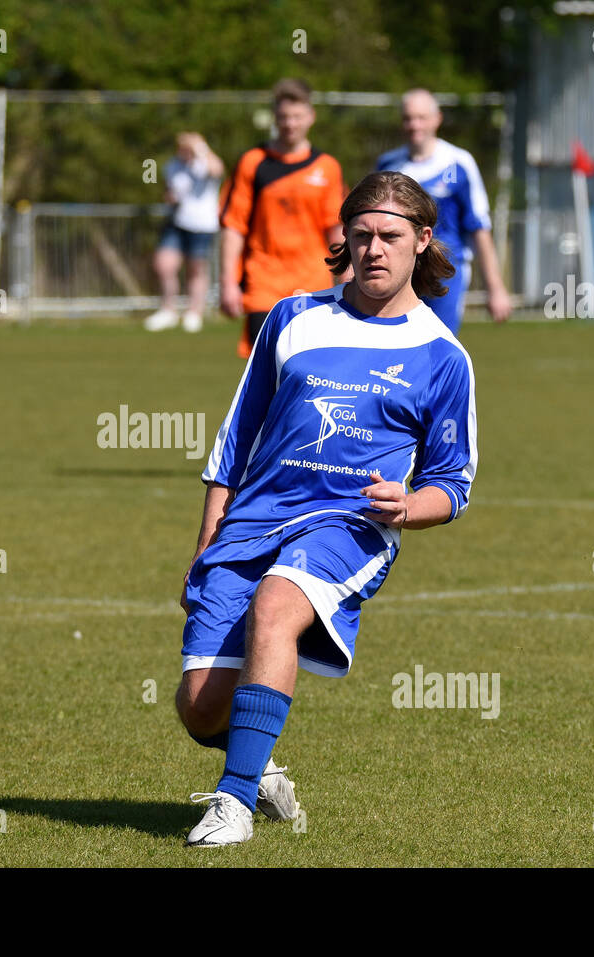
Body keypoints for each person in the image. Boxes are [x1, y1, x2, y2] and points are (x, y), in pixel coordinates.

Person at [176, 170, 477, 846]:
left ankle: (233, 803)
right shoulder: (293, 317)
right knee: (199, 707)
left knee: (277, 605)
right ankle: (257, 764)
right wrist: (207, 540)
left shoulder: (441, 356)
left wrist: (408, 505)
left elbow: (452, 482)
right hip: (254, 515)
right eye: (362, 233)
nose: (373, 248)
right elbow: (235, 438)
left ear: (422, 241)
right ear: (344, 236)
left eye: (390, 236)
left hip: (349, 524)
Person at [218, 78, 349, 359]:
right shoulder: (253, 162)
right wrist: (228, 282)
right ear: (275, 118)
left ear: (311, 117)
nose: (290, 124)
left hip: (314, 286)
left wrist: (349, 279)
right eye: (284, 117)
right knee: (263, 375)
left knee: (311, 372)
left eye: (297, 116)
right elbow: (233, 226)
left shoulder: (327, 167)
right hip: (263, 284)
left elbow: (336, 230)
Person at [376, 88, 511, 333]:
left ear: (436, 119)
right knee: (394, 346)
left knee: (440, 346)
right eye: (408, 118)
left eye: (421, 118)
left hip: (444, 272)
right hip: (399, 270)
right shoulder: (388, 165)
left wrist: (496, 287)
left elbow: (478, 227)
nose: (414, 125)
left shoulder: (458, 163)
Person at [144, 132, 225, 334]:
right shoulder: (172, 166)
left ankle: (194, 312)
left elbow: (217, 170)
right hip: (177, 221)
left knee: (195, 269)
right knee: (164, 265)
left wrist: (201, 148)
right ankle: (168, 310)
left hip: (202, 225)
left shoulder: (204, 163)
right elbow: (170, 190)